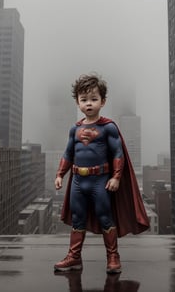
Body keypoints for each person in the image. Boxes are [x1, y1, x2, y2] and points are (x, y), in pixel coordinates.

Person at [54, 74, 150, 274]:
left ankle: (113, 257)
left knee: (106, 217)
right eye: (84, 99)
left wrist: (116, 176)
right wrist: (60, 174)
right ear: (77, 102)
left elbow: (117, 153)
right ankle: (74, 257)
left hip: (100, 181)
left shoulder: (108, 127)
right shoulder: (75, 129)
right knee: (78, 218)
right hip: (78, 181)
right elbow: (68, 153)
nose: (89, 104)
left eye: (93, 99)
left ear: (103, 101)